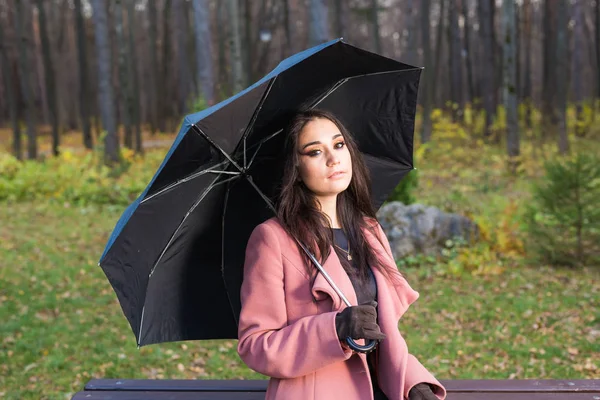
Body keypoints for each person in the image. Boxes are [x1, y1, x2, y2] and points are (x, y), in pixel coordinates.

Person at [237, 109, 446, 400]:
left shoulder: (368, 230)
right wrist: (335, 328)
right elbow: (256, 346)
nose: (333, 159)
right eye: (314, 152)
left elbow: (383, 332)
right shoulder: (274, 239)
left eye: (338, 145)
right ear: (295, 168)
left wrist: (413, 382)